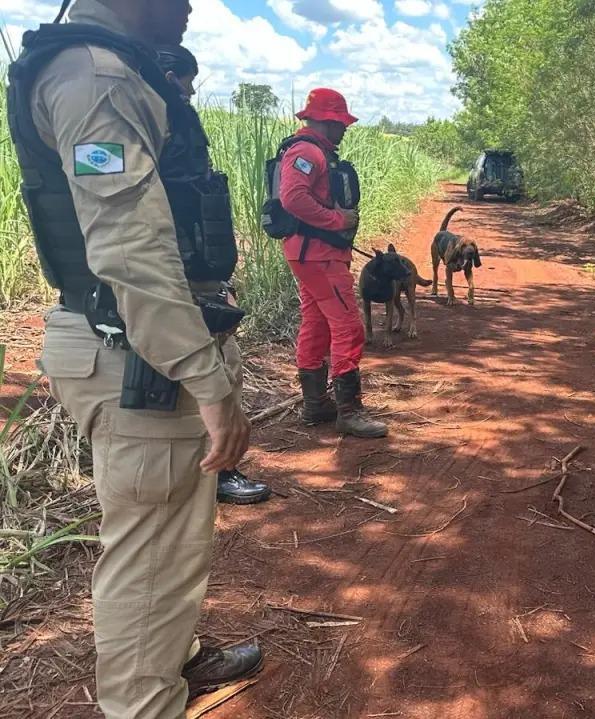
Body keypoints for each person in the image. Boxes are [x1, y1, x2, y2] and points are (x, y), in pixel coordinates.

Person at [8, 1, 264, 716]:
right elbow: (130, 251)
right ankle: (144, 700)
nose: (186, 7)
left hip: (136, 349)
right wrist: (208, 381)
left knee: (165, 545)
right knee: (152, 556)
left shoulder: (108, 70)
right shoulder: (96, 78)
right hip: (139, 358)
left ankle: (174, 657)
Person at [155, 44, 271, 506]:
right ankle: (218, 472)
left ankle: (210, 470)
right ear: (170, 77)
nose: (190, 91)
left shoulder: (163, 125)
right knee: (218, 371)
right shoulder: (159, 125)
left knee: (223, 367)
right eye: (187, 82)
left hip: (193, 275)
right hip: (180, 280)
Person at [278, 88, 388, 438]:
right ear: (326, 122)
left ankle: (315, 406)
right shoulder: (307, 152)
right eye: (341, 123)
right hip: (319, 255)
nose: (345, 129)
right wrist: (336, 220)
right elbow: (293, 197)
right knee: (348, 327)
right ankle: (349, 411)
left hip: (310, 254)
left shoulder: (309, 151)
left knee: (317, 324)